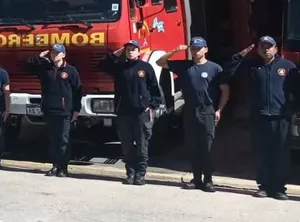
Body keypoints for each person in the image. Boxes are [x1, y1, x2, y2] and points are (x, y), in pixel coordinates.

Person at [224, 36, 299, 200]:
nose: (266, 49)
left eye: (269, 46)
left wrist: (294, 109)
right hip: (258, 116)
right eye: (262, 46)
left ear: (275, 49)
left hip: (281, 117)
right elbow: (229, 73)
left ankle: (279, 188)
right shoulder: (251, 66)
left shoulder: (287, 66)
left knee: (281, 154)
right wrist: (240, 55)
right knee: (261, 153)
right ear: (257, 49)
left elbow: (297, 89)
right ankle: (264, 186)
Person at [157, 37, 229, 193]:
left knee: (207, 146)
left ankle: (208, 180)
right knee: (193, 146)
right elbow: (160, 62)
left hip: (207, 110)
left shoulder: (215, 68)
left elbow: (225, 91)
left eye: (198, 48)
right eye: (193, 48)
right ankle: (196, 179)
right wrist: (176, 51)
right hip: (190, 110)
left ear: (206, 49)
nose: (195, 51)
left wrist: (219, 110)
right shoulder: (185, 66)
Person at [98, 41, 163, 186]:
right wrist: (116, 54)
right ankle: (130, 173)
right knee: (126, 146)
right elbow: (101, 65)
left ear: (139, 52)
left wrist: (152, 105)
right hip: (123, 113)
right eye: (128, 50)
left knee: (142, 145)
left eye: (133, 50)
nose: (130, 52)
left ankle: (140, 174)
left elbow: (154, 89)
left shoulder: (146, 67)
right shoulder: (119, 68)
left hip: (141, 113)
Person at [27, 44, 83, 177]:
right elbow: (28, 66)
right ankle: (55, 166)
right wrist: (39, 57)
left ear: (63, 54)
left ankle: (63, 167)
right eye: (52, 53)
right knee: (53, 140)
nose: (54, 55)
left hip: (65, 111)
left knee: (63, 139)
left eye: (57, 53)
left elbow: (77, 91)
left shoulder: (71, 70)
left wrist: (76, 110)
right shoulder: (45, 69)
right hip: (49, 109)